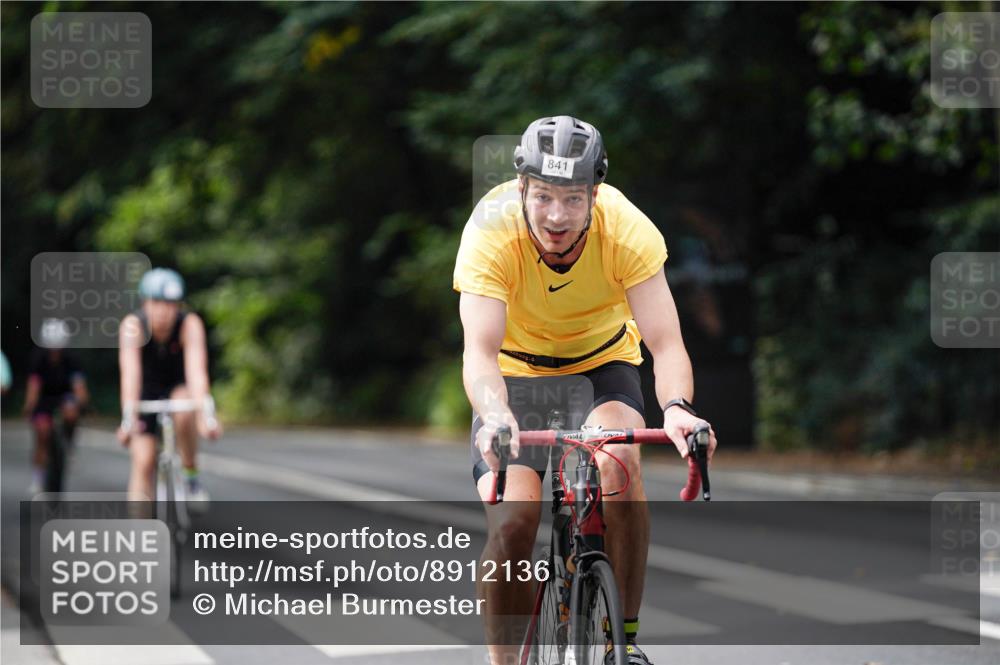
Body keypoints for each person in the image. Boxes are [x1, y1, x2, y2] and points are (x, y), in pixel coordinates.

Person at [454, 116, 718, 665]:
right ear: (522, 187)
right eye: (544, 196)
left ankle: (623, 640)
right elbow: (479, 353)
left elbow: (666, 344)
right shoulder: (490, 229)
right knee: (513, 526)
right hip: (516, 375)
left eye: (574, 199)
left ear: (595, 194)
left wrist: (677, 408)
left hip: (600, 367)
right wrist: (495, 414)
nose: (557, 216)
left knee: (619, 459)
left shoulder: (627, 230)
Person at [117, 268, 220, 505]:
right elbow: (130, 376)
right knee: (143, 462)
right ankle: (140, 534)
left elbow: (196, 373)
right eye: (157, 302)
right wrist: (128, 419)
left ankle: (190, 473)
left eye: (172, 304)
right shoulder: (133, 326)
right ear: (145, 303)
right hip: (145, 391)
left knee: (184, 409)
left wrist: (205, 415)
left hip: (178, 387)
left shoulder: (189, 324)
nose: (165, 311)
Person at [21, 318, 89, 494]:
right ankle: (38, 476)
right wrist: (29, 406)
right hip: (43, 400)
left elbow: (79, 386)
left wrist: (82, 403)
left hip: (65, 397)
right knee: (42, 433)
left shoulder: (72, 359)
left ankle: (69, 443)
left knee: (71, 410)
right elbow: (33, 386)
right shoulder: (38, 358)